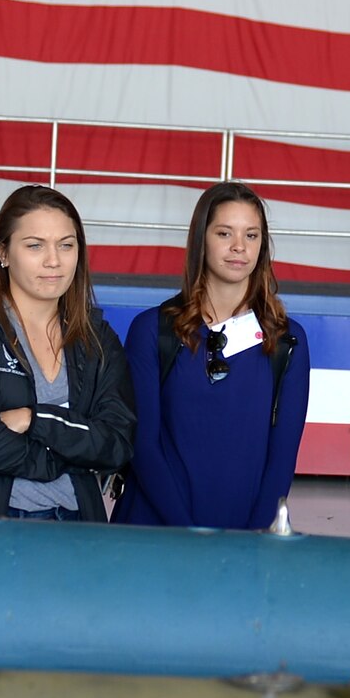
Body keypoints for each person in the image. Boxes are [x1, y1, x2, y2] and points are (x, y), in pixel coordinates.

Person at [0, 185, 135, 519]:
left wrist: (35, 420)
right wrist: (69, 457)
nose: (53, 260)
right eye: (35, 246)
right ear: (3, 253)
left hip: (76, 527)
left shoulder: (96, 336)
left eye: (66, 245)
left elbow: (117, 443)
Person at [113, 183, 311, 529]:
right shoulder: (151, 330)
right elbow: (143, 446)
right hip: (154, 532)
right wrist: (189, 535)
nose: (239, 247)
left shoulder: (287, 341)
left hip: (241, 538)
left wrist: (247, 541)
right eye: (224, 233)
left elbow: (281, 460)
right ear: (200, 239)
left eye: (251, 235)